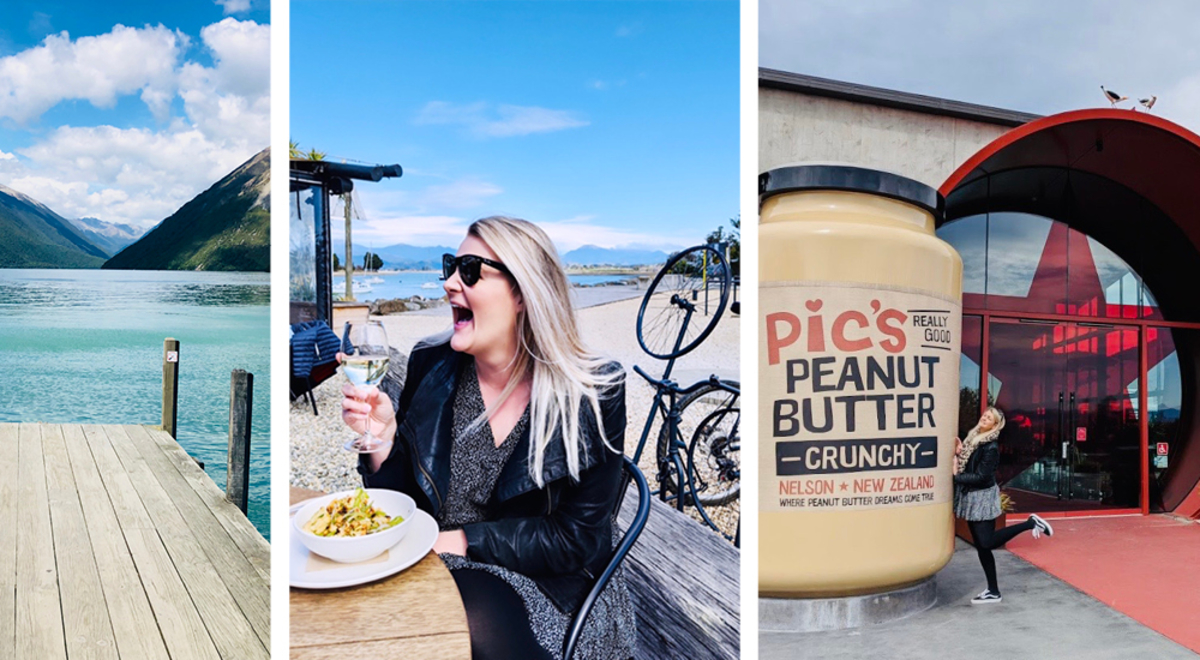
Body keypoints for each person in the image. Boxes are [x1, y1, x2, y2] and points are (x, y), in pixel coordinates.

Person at [341, 216, 635, 660]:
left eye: (471, 270)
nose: (449, 284)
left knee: (459, 615)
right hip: (437, 572)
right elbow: (404, 509)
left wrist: (455, 542)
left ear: (522, 292)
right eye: (449, 266)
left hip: (556, 590)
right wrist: (383, 442)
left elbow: (578, 540)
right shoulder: (431, 365)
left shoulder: (593, 392)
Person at [954, 406, 1054, 605]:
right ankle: (993, 591)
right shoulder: (973, 439)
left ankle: (1030, 523)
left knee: (987, 542)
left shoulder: (990, 447)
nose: (984, 418)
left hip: (982, 497)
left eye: (989, 417)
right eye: (984, 414)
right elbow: (970, 462)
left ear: (995, 425)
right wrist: (959, 451)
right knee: (982, 547)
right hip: (971, 496)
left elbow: (981, 477)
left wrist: (956, 476)